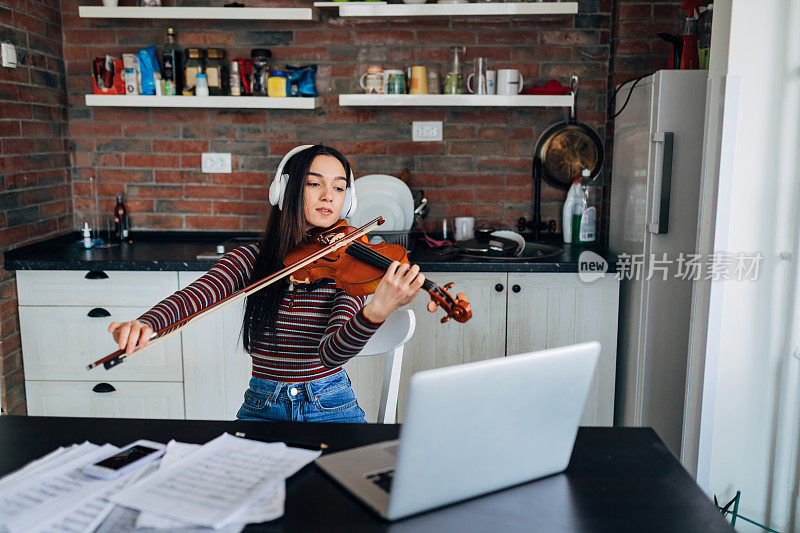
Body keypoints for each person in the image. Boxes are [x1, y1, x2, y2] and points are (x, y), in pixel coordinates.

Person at [107, 144, 425, 423]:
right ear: (284, 190)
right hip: (262, 404)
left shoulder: (347, 263)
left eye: (340, 188)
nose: (329, 195)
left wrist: (377, 311)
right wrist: (147, 324)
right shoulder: (253, 258)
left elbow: (333, 353)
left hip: (331, 405)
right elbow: (196, 296)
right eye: (314, 183)